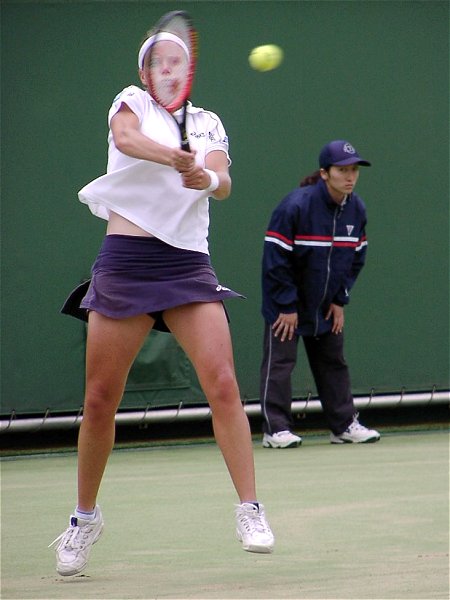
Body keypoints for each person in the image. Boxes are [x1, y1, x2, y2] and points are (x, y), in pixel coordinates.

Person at [49, 24, 274, 576]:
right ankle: (84, 519)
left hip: (187, 265)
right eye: (159, 62)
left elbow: (222, 179)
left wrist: (206, 178)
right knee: (99, 399)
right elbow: (127, 141)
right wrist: (176, 158)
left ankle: (250, 509)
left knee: (223, 384)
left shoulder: (207, 122)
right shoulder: (130, 103)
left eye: (178, 61)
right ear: (145, 72)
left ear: (188, 71)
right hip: (125, 261)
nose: (168, 69)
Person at [260, 140, 381, 449]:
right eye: (342, 170)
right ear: (325, 173)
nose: (350, 177)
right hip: (286, 304)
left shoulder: (357, 209)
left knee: (333, 362)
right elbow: (275, 259)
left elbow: (357, 257)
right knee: (280, 365)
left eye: (354, 170)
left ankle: (343, 426)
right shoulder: (295, 206)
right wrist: (286, 305)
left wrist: (339, 299)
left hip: (326, 303)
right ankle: (276, 430)